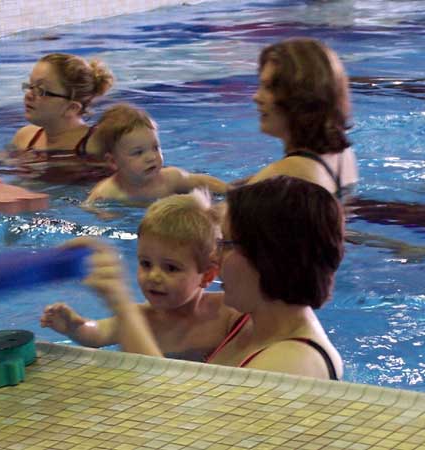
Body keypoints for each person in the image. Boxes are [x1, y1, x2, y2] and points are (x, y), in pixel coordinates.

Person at [76, 176, 345, 380]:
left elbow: (173, 418)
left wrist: (122, 306)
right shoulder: (250, 325)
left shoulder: (291, 364)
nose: (214, 259)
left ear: (267, 258)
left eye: (225, 244)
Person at [41, 190, 232, 361]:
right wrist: (75, 326)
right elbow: (98, 334)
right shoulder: (141, 318)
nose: (154, 276)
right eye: (146, 264)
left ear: (207, 275)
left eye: (171, 268)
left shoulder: (225, 312)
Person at [243, 38, 359, 200]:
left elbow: (213, 222)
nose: (256, 97)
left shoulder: (284, 175)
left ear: (300, 98)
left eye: (268, 87)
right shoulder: (343, 154)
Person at [84, 104, 230, 206]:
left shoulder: (170, 178)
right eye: (138, 153)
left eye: (155, 147)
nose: (151, 157)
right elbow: (90, 212)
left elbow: (201, 181)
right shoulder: (107, 193)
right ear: (113, 161)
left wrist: (231, 192)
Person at [6, 53, 115, 183]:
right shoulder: (25, 138)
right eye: (30, 86)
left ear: (72, 108)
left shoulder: (98, 144)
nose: (29, 95)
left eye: (41, 90)